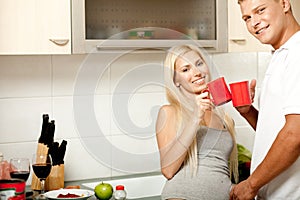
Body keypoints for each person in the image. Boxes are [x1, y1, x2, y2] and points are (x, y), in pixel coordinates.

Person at [230, 0, 300, 199]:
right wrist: (248, 112)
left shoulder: (297, 54)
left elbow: (295, 134)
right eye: (247, 18)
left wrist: (251, 185)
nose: (254, 23)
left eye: (260, 10)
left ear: (285, 3)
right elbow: (276, 131)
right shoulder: (281, 55)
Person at [155, 44, 239, 200]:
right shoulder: (169, 112)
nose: (197, 72)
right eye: (185, 70)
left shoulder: (225, 119)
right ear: (176, 81)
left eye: (199, 63)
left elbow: (218, 169)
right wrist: (195, 117)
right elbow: (168, 170)